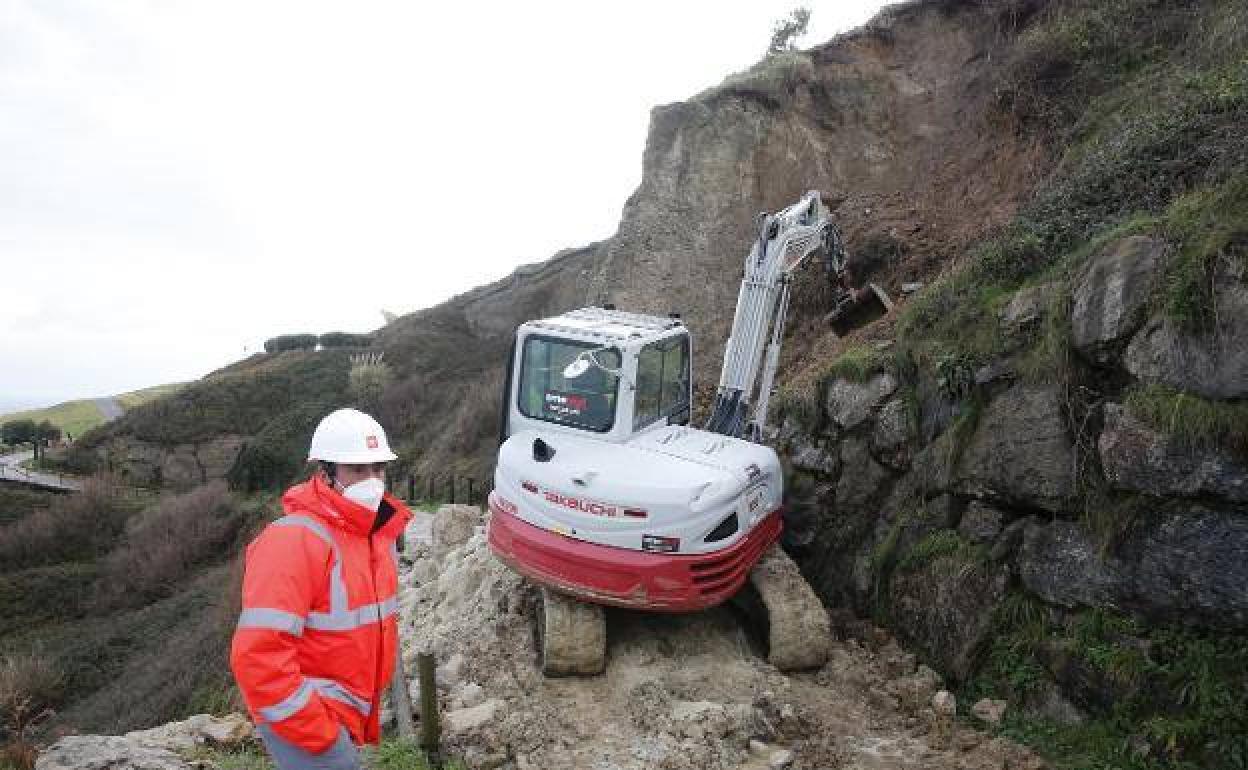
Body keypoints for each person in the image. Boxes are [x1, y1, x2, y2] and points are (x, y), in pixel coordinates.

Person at [230, 408, 413, 770]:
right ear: (325, 472)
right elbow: (257, 656)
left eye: (378, 468)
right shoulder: (294, 540)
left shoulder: (374, 538)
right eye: (357, 470)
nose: (372, 480)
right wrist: (320, 730)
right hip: (307, 720)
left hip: (341, 716)